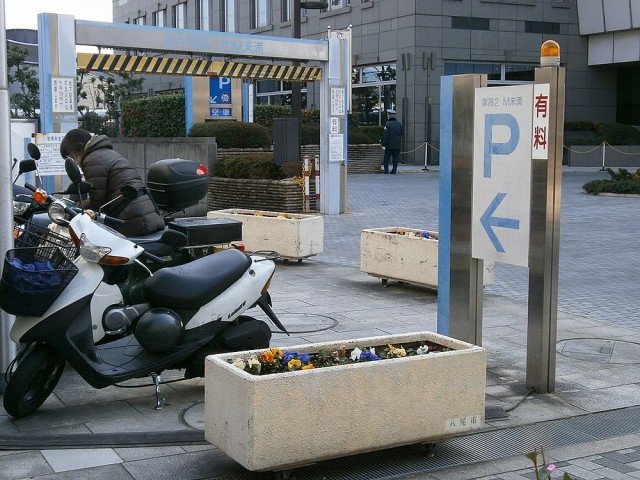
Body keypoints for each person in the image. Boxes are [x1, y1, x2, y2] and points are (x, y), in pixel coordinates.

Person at [60, 128, 165, 237]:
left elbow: (97, 199)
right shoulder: (106, 153)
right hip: (143, 213)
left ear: (75, 149)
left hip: (132, 219)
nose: (75, 161)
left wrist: (76, 208)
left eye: (71, 156)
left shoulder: (92, 159)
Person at [381, 109, 403, 174]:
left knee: (386, 159)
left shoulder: (387, 124)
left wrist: (384, 144)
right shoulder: (399, 124)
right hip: (397, 145)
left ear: (389, 116)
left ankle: (386, 170)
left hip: (389, 145)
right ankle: (394, 170)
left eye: (388, 115)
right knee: (395, 159)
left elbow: (385, 136)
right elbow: (401, 134)